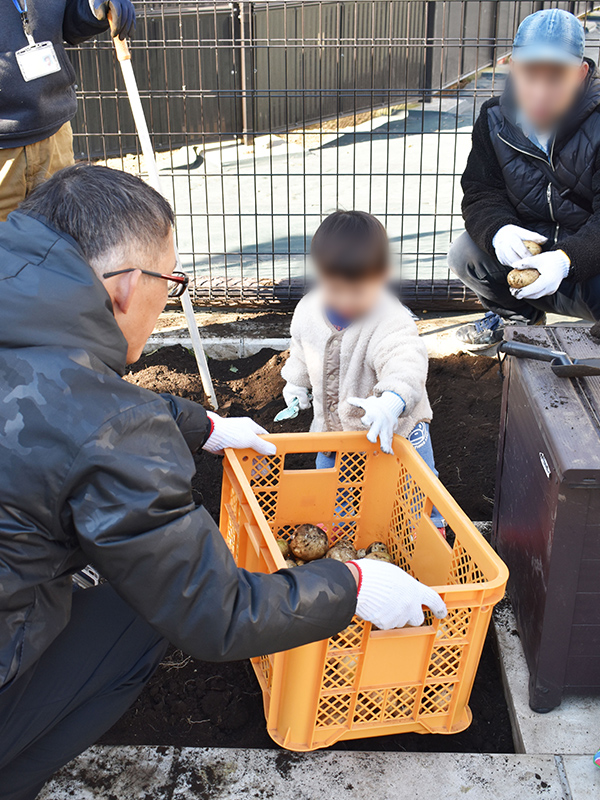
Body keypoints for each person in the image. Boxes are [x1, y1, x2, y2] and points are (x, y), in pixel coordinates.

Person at [0, 165, 447, 800]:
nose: (168, 301)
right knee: (145, 606)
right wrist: (353, 584)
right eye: (170, 283)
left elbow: (59, 392)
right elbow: (215, 613)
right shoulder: (114, 430)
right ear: (126, 287)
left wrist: (203, 425)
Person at [280, 210, 445, 534]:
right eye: (334, 288)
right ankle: (339, 528)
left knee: (416, 489)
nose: (345, 300)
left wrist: (393, 402)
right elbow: (302, 348)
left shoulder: (390, 319)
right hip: (335, 433)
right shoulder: (308, 310)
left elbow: (406, 362)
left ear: (381, 276)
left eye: (358, 291)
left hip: (395, 430)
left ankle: (429, 530)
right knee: (331, 488)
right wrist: (296, 383)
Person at [450, 8, 600, 349]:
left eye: (557, 76)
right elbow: (480, 192)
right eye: (530, 74)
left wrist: (566, 260)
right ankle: (518, 320)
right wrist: (499, 230)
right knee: (465, 253)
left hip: (589, 262)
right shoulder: (493, 119)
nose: (541, 92)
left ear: (580, 74)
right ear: (514, 68)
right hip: (529, 255)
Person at [0, 0, 135, 221]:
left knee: (59, 233)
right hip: (3, 146)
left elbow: (68, 23)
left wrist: (93, 9)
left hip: (55, 134)